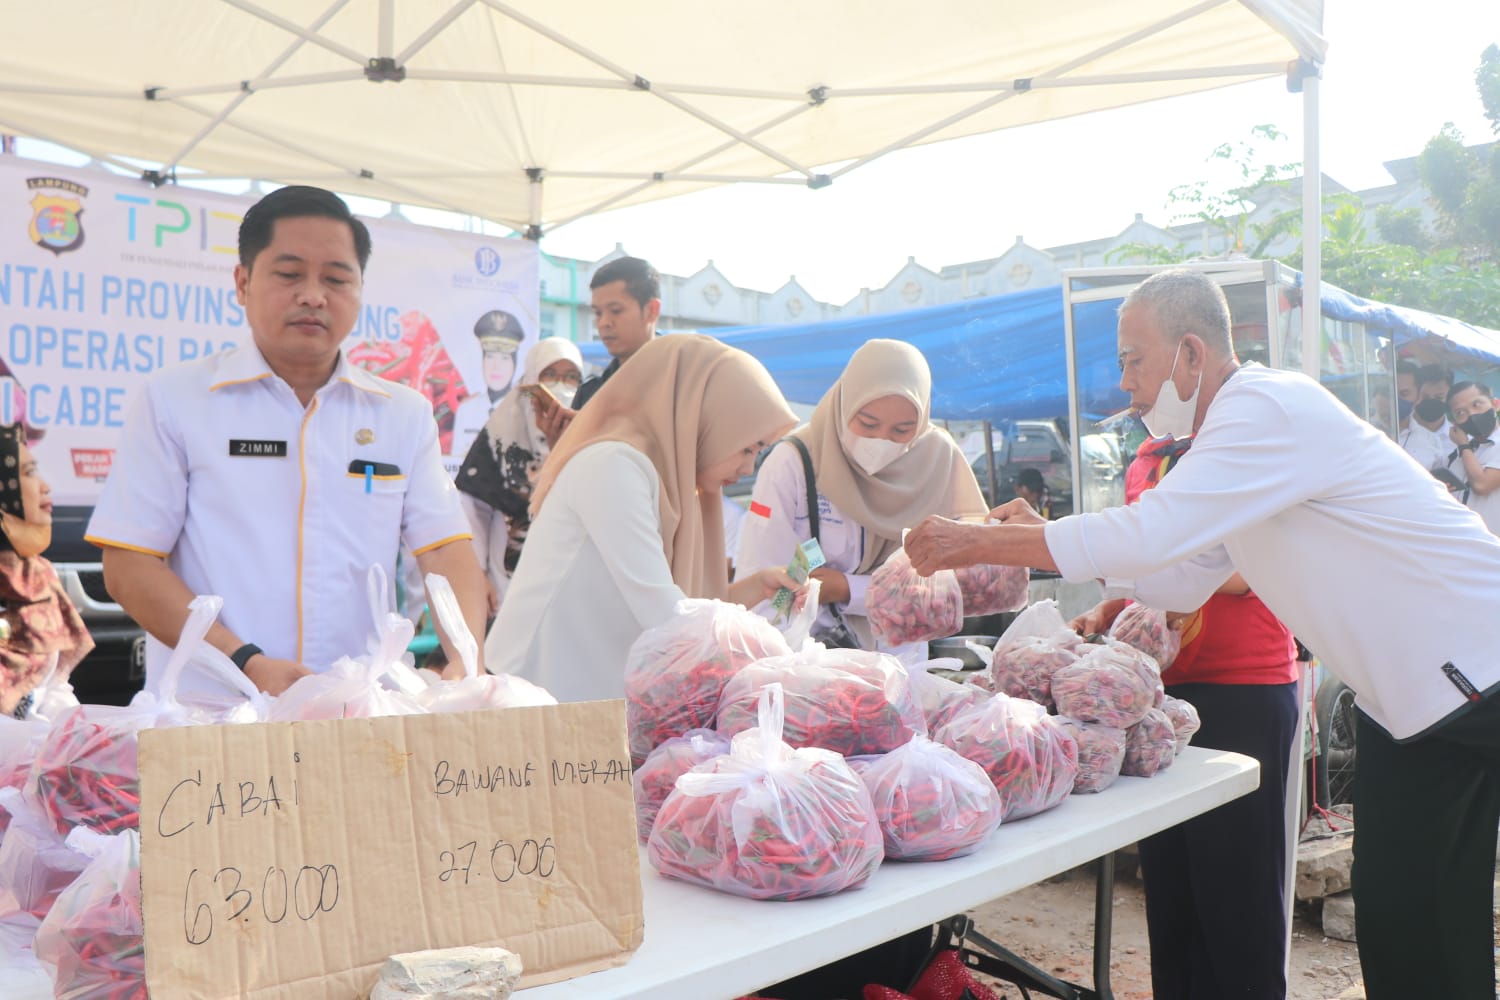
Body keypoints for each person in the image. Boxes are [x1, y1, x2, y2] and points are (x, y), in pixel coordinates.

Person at [905, 268, 1500, 1000]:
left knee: (1421, 915)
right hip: (1407, 704)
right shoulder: (1225, 450)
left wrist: (979, 544)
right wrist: (1043, 541)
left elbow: (1151, 536)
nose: (1124, 383)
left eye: (1133, 359)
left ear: (1190, 353)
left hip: (1480, 661)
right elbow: (1178, 578)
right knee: (1408, 917)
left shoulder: (1265, 408)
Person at [87, 185, 489, 700]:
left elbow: (445, 548)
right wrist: (246, 663)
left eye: (337, 279)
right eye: (289, 273)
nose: (314, 295)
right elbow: (130, 566)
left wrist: (465, 660)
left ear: (360, 290)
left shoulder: (401, 413)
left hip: (363, 711)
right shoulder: (176, 400)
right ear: (242, 281)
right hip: (216, 710)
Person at [1072, 431, 1299, 1000]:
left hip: (1242, 688)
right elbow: (1142, 571)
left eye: (1139, 363)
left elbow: (1246, 572)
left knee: (1237, 883)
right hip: (1160, 697)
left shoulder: (1244, 448)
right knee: (1173, 883)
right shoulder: (1147, 460)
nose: (1130, 383)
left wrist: (1128, 566)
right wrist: (1112, 605)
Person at [483, 334, 801, 702]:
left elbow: (689, 602)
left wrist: (757, 587)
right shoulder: (614, 465)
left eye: (757, 453)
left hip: (580, 698)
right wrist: (782, 664)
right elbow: (664, 610)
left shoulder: (678, 482)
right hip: (531, 694)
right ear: (702, 419)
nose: (747, 468)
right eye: (746, 448)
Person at [736, 339, 987, 652]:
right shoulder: (796, 463)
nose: (881, 440)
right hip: (811, 658)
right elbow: (764, 588)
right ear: (845, 406)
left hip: (903, 661)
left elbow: (959, 580)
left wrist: (846, 589)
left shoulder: (937, 460)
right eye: (867, 423)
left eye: (902, 430)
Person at [454, 337, 585, 613]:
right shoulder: (499, 441)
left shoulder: (590, 438)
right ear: (531, 381)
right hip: (505, 588)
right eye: (550, 374)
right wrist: (476, 575)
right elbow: (472, 514)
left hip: (569, 590)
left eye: (571, 377)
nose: (561, 385)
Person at [0, 424, 93, 718]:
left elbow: (53, 689)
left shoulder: (38, 574)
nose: (45, 486)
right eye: (28, 473)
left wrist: (75, 735)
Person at [449, 309, 525, 462]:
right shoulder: (466, 410)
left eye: (504, 358)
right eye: (490, 357)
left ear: (514, 364)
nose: (496, 366)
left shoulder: (524, 411)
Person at [1446, 379, 1500, 534]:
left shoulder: (1464, 449)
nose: (1471, 414)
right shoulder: (1455, 456)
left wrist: (1463, 446)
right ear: (1455, 422)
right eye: (1460, 413)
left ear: (1495, 404)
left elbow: (1481, 485)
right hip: (1464, 544)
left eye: (1476, 405)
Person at [1398, 363, 1455, 472]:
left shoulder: (1460, 440)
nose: (1431, 401)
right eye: (1425, 396)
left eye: (1439, 397)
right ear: (1417, 394)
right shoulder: (1398, 432)